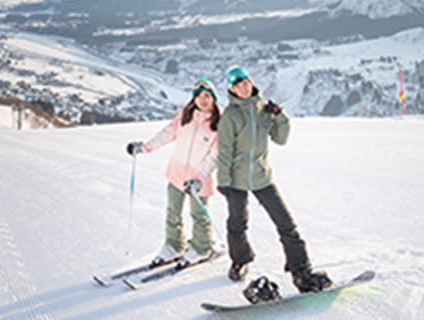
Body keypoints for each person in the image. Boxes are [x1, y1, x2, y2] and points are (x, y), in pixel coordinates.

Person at [217, 65, 332, 293]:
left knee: (286, 224)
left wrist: (279, 116)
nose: (243, 86)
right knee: (237, 224)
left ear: (251, 82)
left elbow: (281, 138)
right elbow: (225, 150)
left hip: (262, 176)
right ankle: (240, 262)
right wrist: (224, 182)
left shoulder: (263, 110)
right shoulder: (231, 115)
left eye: (246, 81)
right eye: (238, 84)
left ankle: (301, 271)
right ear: (232, 89)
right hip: (237, 180)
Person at [126, 78, 221, 267]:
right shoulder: (185, 116)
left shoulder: (218, 124)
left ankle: (202, 248)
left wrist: (199, 178)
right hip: (177, 174)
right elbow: (166, 134)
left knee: (199, 216)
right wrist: (144, 147)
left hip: (198, 180)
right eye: (199, 96)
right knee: (173, 213)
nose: (203, 100)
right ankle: (174, 246)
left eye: (207, 96)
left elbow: (215, 156)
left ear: (214, 99)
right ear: (193, 99)